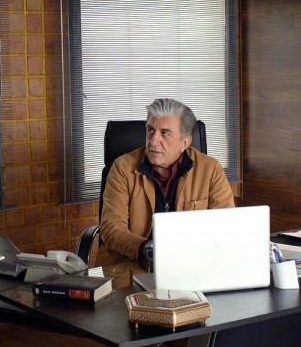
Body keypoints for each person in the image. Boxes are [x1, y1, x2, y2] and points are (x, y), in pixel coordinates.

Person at [97, 98, 236, 271]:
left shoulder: (210, 169)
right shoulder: (122, 168)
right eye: (150, 130)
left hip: (191, 265)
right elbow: (111, 228)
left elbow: (226, 227)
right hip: (132, 264)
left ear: (184, 143)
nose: (153, 141)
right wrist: (146, 248)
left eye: (165, 133)